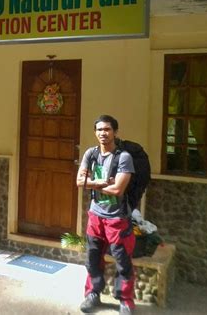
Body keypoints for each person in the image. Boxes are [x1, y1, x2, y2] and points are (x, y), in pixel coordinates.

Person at [76, 115, 136, 315]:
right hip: (95, 215)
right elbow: (79, 182)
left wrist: (92, 183)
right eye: (100, 129)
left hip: (117, 217)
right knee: (93, 257)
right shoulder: (90, 154)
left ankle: (125, 300)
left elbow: (118, 190)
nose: (103, 133)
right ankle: (93, 293)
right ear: (95, 132)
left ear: (115, 132)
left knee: (122, 258)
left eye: (107, 129)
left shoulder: (123, 157)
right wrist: (103, 183)